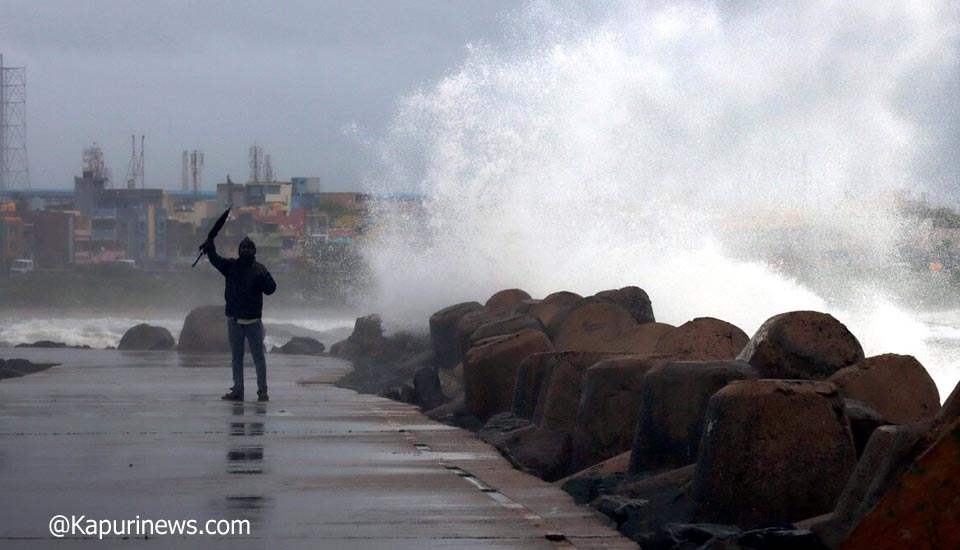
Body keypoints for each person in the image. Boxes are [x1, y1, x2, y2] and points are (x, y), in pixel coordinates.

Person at [201, 236, 277, 402]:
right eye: (244, 248)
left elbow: (271, 289)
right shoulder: (231, 266)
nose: (246, 250)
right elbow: (216, 260)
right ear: (239, 250)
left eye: (249, 248)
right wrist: (210, 249)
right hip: (235, 319)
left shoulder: (259, 269)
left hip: (253, 321)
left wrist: (263, 277)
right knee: (238, 358)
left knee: (258, 357)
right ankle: (238, 390)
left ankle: (262, 391)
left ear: (254, 251)